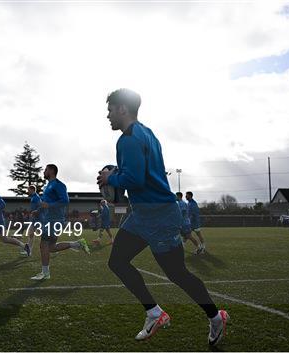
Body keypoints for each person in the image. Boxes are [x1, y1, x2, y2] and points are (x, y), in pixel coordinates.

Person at [97, 89, 228, 345]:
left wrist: (109, 178)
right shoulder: (147, 133)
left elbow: (134, 178)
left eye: (110, 109)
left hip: (159, 216)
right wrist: (115, 181)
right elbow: (136, 176)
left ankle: (215, 317)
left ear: (123, 109)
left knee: (177, 274)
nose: (108, 115)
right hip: (144, 214)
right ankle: (154, 312)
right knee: (118, 261)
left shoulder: (127, 138)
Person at [30, 164, 90, 280]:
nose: (44, 171)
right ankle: (78, 244)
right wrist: (38, 210)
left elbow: (65, 201)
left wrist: (49, 205)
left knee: (44, 245)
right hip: (49, 220)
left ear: (52, 171)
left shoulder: (59, 185)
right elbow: (46, 203)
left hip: (55, 220)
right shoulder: (47, 186)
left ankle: (45, 273)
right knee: (51, 247)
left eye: (46, 170)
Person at [21, 185, 41, 256]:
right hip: (34, 220)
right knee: (30, 234)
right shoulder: (33, 197)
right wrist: (30, 213)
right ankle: (29, 251)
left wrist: (35, 211)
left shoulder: (36, 197)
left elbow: (40, 207)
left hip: (38, 220)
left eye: (28, 190)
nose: (28, 191)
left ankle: (53, 246)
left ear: (32, 190)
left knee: (43, 235)